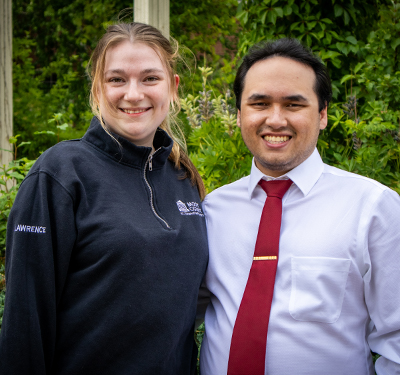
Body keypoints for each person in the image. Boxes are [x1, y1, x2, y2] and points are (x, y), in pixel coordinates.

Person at [0, 22, 208, 375]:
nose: (133, 93)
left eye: (149, 78)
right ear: (97, 88)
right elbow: (26, 320)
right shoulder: (60, 175)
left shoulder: (182, 177)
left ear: (172, 88)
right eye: (116, 80)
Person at [199, 38, 400, 375]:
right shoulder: (212, 210)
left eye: (294, 105)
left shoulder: (373, 208)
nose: (275, 120)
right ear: (238, 115)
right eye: (259, 103)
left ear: (322, 115)